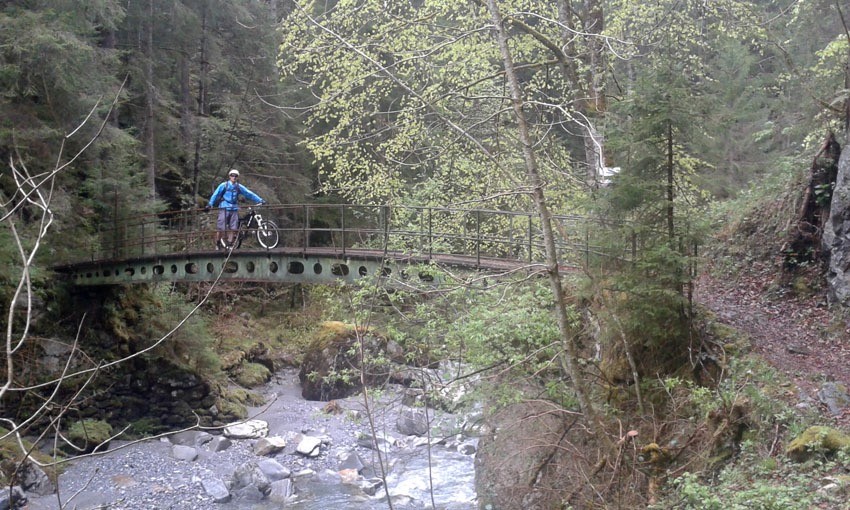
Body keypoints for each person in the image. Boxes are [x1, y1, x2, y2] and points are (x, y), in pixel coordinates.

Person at [207, 169, 266, 249]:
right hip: (224, 207)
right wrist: (210, 204)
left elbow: (248, 193)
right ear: (229, 176)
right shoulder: (224, 185)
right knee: (221, 227)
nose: (234, 177)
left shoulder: (238, 186)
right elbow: (216, 194)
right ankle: (218, 242)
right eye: (232, 175)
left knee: (234, 228)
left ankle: (230, 243)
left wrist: (260, 200)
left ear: (237, 177)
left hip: (234, 208)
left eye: (235, 176)